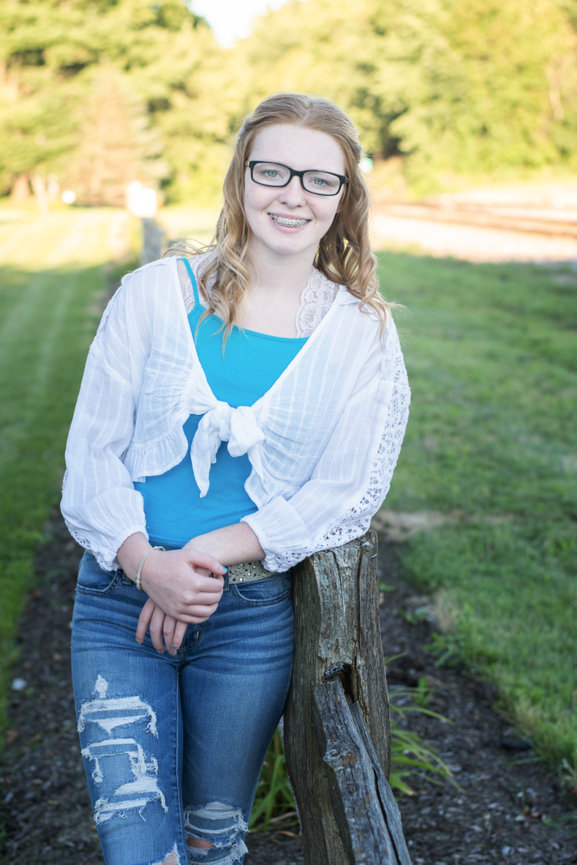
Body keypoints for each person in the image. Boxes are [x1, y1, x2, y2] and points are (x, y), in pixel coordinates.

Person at [61, 92, 410, 865]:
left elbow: (345, 491)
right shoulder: (153, 296)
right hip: (121, 602)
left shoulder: (360, 337)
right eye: (273, 171)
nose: (292, 194)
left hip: (248, 618)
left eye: (320, 179)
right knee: (137, 850)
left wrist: (206, 556)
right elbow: (91, 457)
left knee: (212, 841)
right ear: (240, 179)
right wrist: (150, 565)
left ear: (344, 198)